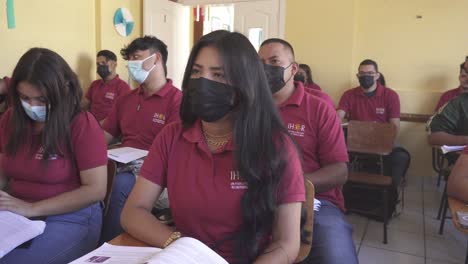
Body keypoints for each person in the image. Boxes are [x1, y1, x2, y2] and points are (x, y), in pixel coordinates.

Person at [121, 30, 305, 264]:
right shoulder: (172, 136)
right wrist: (183, 247)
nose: (203, 82)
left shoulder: (276, 146)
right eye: (197, 72)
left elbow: (286, 243)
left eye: (218, 75)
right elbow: (133, 211)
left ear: (245, 83)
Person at [0, 48, 107, 263]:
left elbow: (96, 190)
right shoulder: (11, 119)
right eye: (25, 98)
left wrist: (31, 208)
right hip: (16, 214)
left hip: (70, 216)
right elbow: (3, 170)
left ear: (64, 89)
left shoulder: (81, 124)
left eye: (41, 99)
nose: (33, 106)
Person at [259, 39, 356, 264]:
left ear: (293, 69)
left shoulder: (318, 108)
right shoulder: (248, 108)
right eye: (260, 63)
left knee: (337, 257)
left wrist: (291, 186)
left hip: (315, 202)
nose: (265, 69)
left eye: (274, 62)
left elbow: (339, 171)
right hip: (256, 198)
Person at [100, 36, 182, 242]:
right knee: (92, 176)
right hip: (120, 162)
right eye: (129, 61)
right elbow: (105, 136)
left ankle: (107, 248)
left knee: (120, 184)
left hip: (157, 175)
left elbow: (174, 153)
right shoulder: (126, 99)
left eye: (136, 58)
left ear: (157, 59)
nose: (131, 65)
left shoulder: (177, 101)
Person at [82, 50, 131, 123]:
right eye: (98, 64)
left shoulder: (123, 87)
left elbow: (124, 114)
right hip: (91, 125)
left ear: (114, 64)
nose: (100, 66)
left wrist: (101, 126)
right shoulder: (95, 84)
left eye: (103, 63)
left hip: (110, 128)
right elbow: (85, 104)